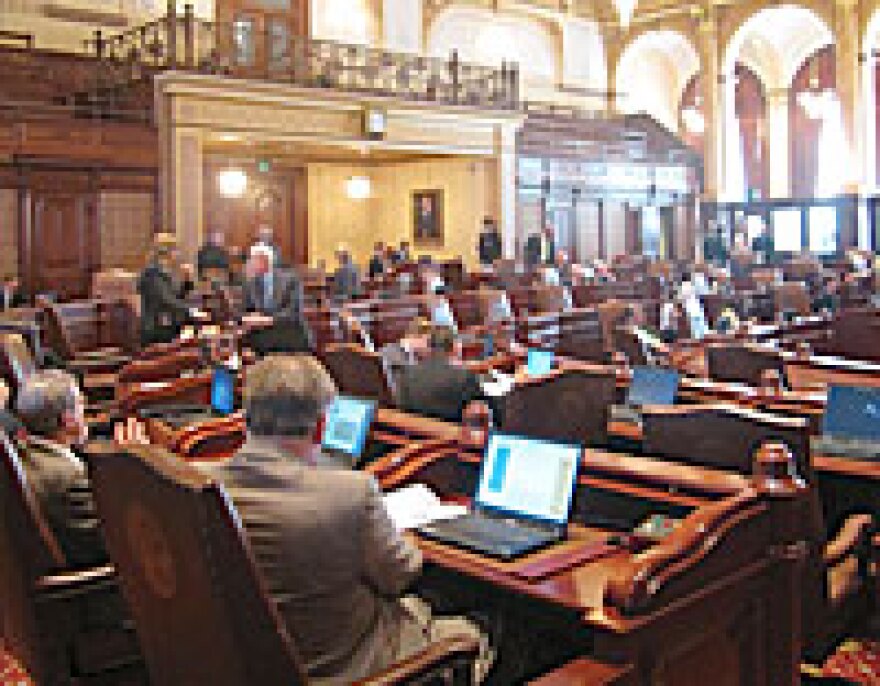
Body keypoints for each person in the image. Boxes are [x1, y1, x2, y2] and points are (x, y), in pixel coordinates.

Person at [200, 356, 491, 684]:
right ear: (322, 426)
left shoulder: (197, 484)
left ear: (246, 415)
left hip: (257, 665)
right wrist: (406, 539)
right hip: (353, 668)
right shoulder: (348, 493)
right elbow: (401, 575)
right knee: (496, 629)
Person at [15, 370, 107, 569]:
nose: (86, 415)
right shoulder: (68, 478)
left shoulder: (24, 453)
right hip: (94, 588)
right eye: (81, 406)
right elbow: (117, 539)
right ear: (68, 420)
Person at [395, 325, 483, 423]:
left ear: (429, 346)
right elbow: (478, 415)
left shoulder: (407, 373)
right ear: (455, 346)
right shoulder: (463, 376)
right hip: (454, 435)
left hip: (418, 434)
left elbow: (403, 411)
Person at [241, 243, 313, 354]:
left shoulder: (290, 280)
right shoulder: (251, 283)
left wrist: (269, 320)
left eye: (251, 260)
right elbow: (244, 311)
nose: (249, 263)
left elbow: (294, 312)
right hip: (262, 340)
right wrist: (248, 317)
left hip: (290, 337)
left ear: (263, 260)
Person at [138, 234, 207, 346]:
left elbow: (178, 298)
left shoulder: (164, 273)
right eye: (176, 250)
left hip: (169, 326)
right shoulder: (151, 274)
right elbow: (167, 301)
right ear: (166, 252)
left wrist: (187, 281)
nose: (178, 254)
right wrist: (192, 311)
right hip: (156, 331)